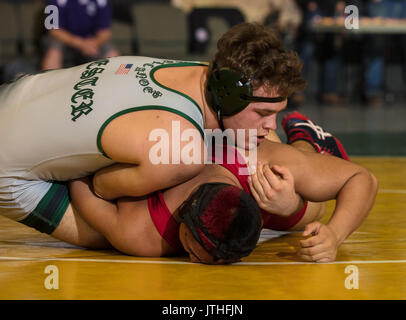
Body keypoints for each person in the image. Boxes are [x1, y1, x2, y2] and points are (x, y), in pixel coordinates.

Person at [0, 22, 305, 237]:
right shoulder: (184, 151)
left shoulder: (203, 70)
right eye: (264, 113)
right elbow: (102, 188)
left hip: (17, 93)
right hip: (9, 173)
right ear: (228, 95)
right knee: (137, 232)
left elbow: (258, 136)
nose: (271, 126)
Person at [44, 112, 377, 264]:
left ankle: (305, 138)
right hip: (191, 153)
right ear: (185, 218)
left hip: (257, 188)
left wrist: (334, 235)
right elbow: (83, 184)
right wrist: (100, 177)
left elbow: (362, 178)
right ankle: (307, 144)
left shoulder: (253, 159)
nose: (189, 259)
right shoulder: (143, 233)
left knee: (303, 205)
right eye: (193, 249)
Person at [41, 0, 119, 70]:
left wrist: (94, 43)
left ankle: (114, 83)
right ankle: (51, 84)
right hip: (65, 41)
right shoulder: (54, 1)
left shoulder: (102, 2)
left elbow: (105, 32)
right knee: (54, 51)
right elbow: (54, 30)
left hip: (92, 43)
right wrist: (81, 44)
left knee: (111, 53)